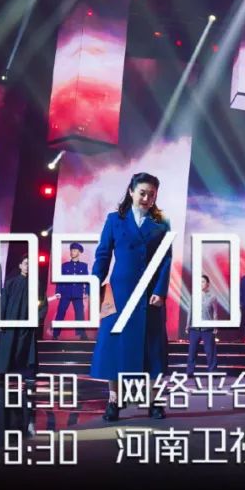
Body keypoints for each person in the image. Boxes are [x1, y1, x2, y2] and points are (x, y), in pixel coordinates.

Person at [91, 173, 173, 422]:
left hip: (149, 295)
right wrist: (95, 284)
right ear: (131, 191)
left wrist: (160, 290)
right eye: (142, 193)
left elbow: (166, 259)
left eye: (152, 194)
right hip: (119, 293)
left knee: (152, 350)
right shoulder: (114, 220)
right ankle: (114, 402)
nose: (147, 198)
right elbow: (103, 254)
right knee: (115, 350)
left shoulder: (161, 223)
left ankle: (155, 402)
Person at [0, 256, 38, 379]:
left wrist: (37, 319)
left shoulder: (35, 284)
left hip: (27, 320)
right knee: (8, 345)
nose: (28, 267)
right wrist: (0, 320)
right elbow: (3, 303)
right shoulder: (10, 283)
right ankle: (2, 372)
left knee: (25, 347)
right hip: (10, 319)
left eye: (30, 264)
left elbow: (43, 304)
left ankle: (25, 373)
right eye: (26, 263)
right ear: (20, 265)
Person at [53, 242, 90, 341]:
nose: (72, 252)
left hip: (78, 293)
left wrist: (87, 292)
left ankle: (82, 334)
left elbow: (87, 280)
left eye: (74, 250)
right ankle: (55, 334)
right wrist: (58, 292)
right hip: (66, 293)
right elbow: (60, 280)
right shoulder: (64, 266)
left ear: (79, 252)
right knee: (60, 312)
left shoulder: (84, 266)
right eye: (71, 250)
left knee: (80, 314)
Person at [186, 275, 219, 375]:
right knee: (192, 351)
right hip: (194, 328)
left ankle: (212, 371)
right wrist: (187, 325)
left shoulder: (212, 297)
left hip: (207, 328)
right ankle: (190, 371)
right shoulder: (194, 296)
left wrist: (215, 326)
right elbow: (190, 311)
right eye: (200, 282)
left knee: (210, 351)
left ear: (207, 284)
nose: (201, 284)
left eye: (203, 281)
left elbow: (215, 312)